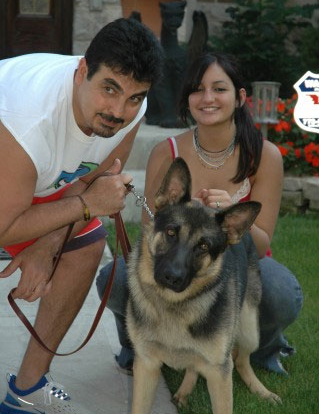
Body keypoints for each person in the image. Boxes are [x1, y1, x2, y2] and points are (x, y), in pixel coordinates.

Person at [96, 52, 303, 377]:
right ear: (187, 98)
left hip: (239, 267)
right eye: (197, 89)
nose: (207, 98)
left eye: (219, 89)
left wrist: (225, 219)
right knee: (116, 278)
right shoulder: (167, 153)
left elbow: (261, 246)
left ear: (240, 98)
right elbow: (152, 233)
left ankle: (264, 347)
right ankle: (137, 344)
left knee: (280, 291)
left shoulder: (265, 156)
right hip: (179, 263)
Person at [0, 18, 163, 414]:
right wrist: (87, 205)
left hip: (29, 179)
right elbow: (3, 226)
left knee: (85, 244)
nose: (118, 111)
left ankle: (25, 390)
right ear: (82, 70)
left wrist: (49, 241)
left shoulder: (131, 112)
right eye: (110, 88)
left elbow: (88, 177)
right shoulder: (27, 118)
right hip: (8, 166)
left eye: (134, 97)